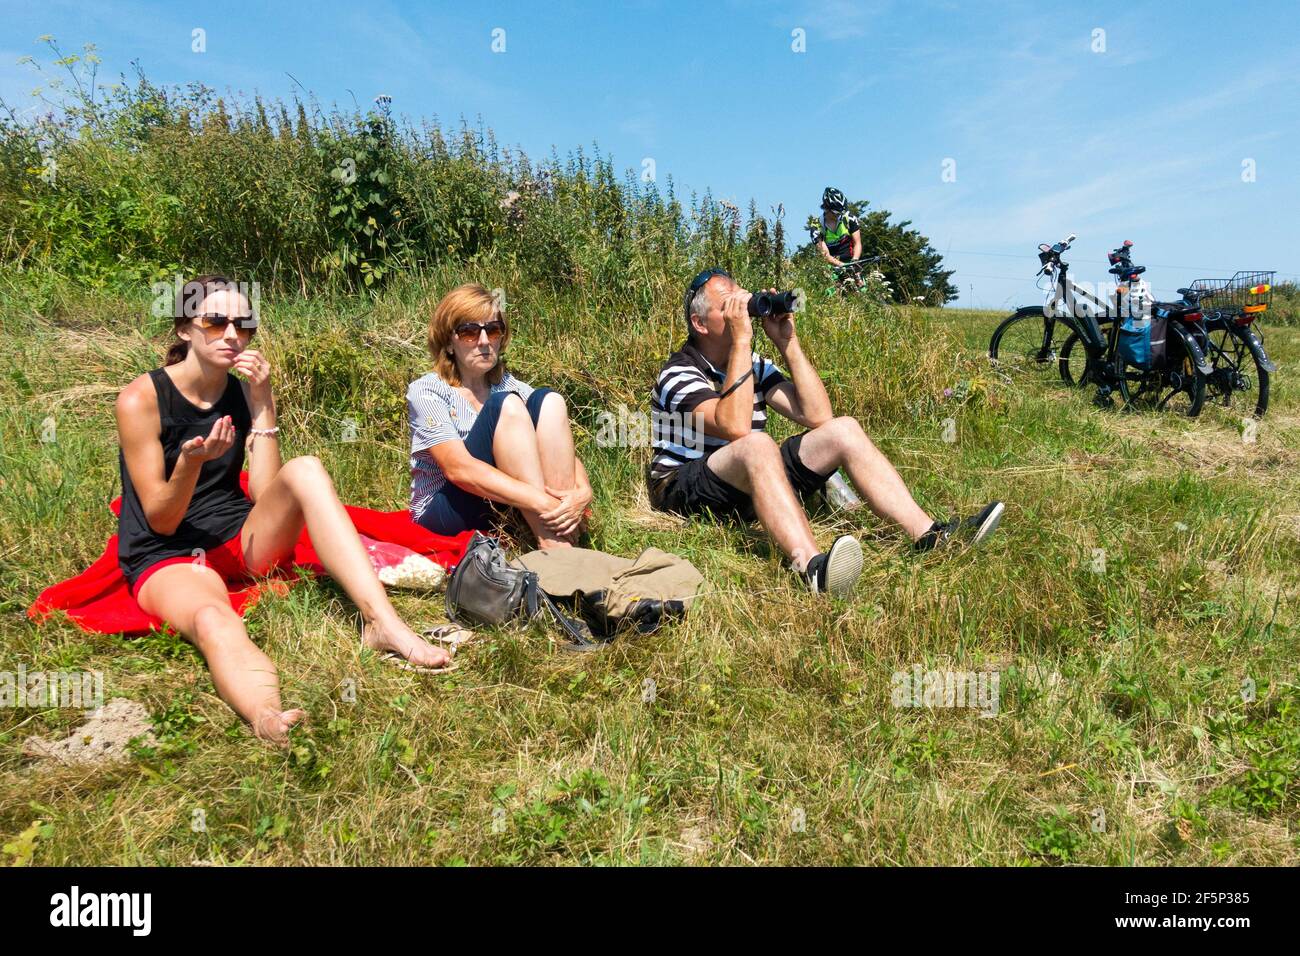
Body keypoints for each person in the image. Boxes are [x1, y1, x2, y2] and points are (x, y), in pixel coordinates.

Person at [116, 276, 453, 746]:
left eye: (244, 324)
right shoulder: (142, 399)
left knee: (307, 469)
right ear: (184, 330)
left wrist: (262, 403)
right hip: (167, 551)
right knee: (213, 620)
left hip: (238, 536)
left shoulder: (242, 390)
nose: (233, 335)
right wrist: (191, 464)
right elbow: (161, 519)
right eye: (215, 322)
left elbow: (262, 491)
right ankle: (266, 714)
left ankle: (383, 624)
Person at [647, 268, 1003, 596]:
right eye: (728, 304)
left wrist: (787, 342)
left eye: (743, 298)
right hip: (683, 489)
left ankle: (929, 536)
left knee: (843, 430)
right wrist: (742, 342)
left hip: (745, 481)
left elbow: (818, 415)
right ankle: (813, 570)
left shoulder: (751, 364)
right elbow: (736, 428)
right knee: (756, 444)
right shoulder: (678, 373)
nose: (742, 310)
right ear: (700, 323)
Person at [407, 283, 591, 548]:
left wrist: (583, 491)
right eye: (469, 332)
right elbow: (458, 469)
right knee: (507, 406)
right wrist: (543, 502)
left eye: (492, 331)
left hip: (502, 501)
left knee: (550, 401)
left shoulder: (506, 384)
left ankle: (561, 531)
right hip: (444, 508)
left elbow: (558, 447)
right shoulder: (427, 390)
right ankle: (557, 544)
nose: (484, 342)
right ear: (448, 341)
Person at [815, 186, 863, 266]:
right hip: (831, 266)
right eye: (836, 213)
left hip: (850, 261)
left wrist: (855, 261)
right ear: (827, 208)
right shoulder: (817, 226)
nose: (839, 215)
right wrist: (843, 266)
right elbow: (825, 255)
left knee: (859, 278)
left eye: (841, 213)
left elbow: (857, 243)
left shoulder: (850, 218)